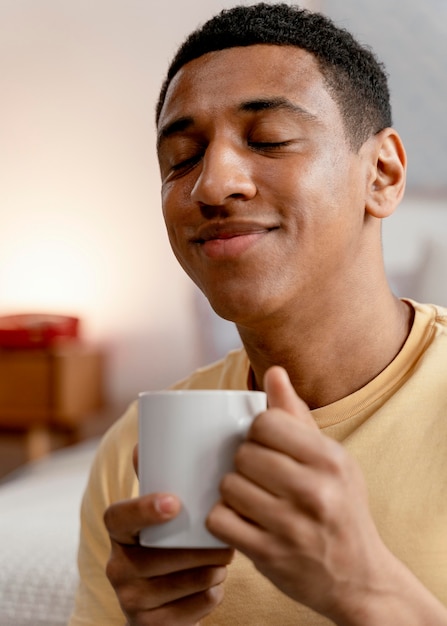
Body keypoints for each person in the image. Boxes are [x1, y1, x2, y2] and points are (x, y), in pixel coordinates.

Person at [69, 3, 447, 625]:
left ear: (381, 173)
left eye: (268, 138)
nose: (212, 185)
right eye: (183, 156)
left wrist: (365, 589)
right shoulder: (133, 453)